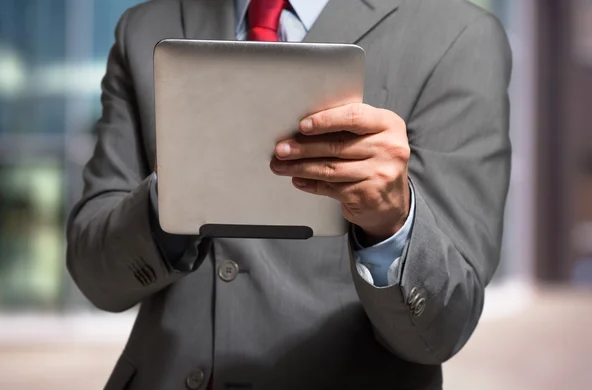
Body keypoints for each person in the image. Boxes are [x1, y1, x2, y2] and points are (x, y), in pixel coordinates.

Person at [66, 0, 512, 389]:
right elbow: (94, 274)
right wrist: (175, 198)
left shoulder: (458, 36)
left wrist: (392, 225)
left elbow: (443, 328)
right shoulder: (143, 28)